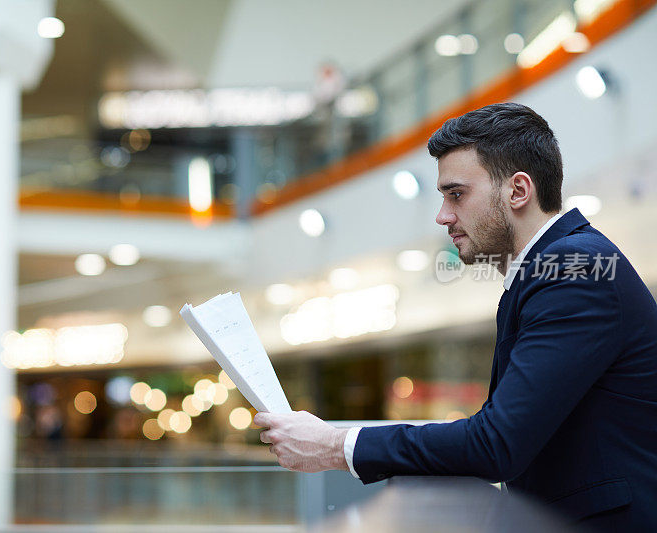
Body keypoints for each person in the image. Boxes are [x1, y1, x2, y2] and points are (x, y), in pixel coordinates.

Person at [254, 103, 657, 530]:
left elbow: (497, 443)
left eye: (457, 194)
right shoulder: (554, 269)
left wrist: (337, 445)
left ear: (518, 191)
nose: (443, 216)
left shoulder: (574, 270)